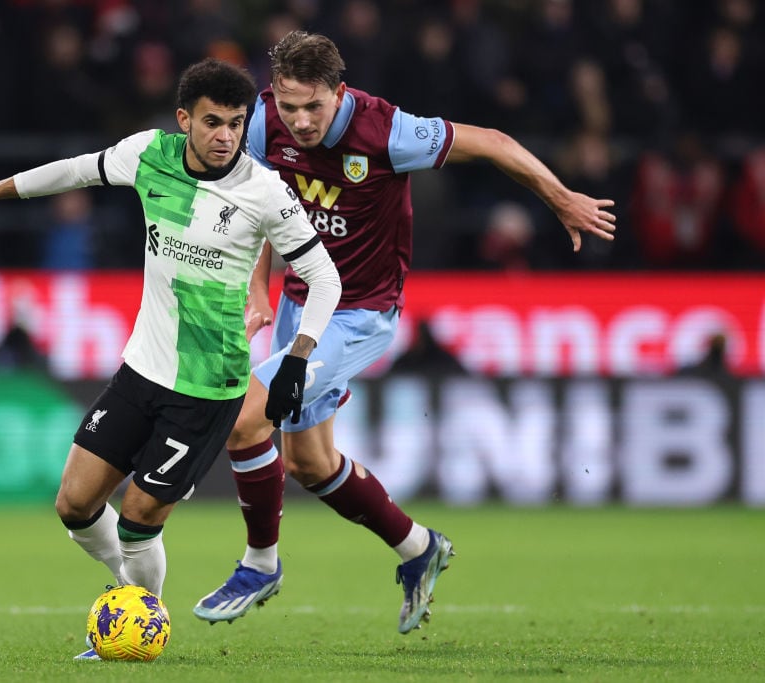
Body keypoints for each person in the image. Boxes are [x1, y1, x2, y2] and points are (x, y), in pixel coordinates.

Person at [193, 31, 617, 635]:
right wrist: (259, 287)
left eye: (314, 106)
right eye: (291, 107)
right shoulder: (261, 122)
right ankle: (419, 547)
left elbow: (494, 143)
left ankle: (260, 564)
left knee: (244, 419)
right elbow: (260, 205)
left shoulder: (386, 132)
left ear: (339, 93)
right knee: (310, 463)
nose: (302, 121)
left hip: (357, 313)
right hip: (297, 301)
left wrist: (560, 198)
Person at [0, 57, 341, 661]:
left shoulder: (265, 192)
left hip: (206, 386)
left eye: (237, 124)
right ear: (183, 120)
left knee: (140, 514)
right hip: (141, 368)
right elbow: (74, 171)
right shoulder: (148, 155)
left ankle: (139, 621)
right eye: (213, 122)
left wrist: (297, 358)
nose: (225, 136)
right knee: (74, 505)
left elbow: (324, 280)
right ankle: (133, 597)